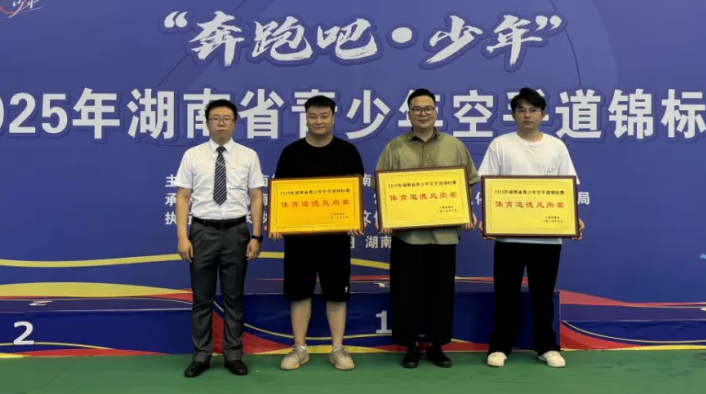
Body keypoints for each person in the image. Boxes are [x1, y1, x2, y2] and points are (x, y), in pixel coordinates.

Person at [478, 88, 584, 369]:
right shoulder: (500, 145)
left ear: (543, 114)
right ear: (513, 115)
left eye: (533, 110)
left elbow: (567, 188)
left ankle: (546, 346)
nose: (527, 115)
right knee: (506, 293)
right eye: (521, 110)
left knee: (543, 295)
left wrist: (573, 218)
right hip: (508, 236)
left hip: (547, 237)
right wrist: (487, 219)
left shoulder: (556, 146)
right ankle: (500, 346)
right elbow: (488, 186)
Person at [376, 88, 479, 368]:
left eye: (428, 109)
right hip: (407, 236)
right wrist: (385, 217)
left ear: (436, 112)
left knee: (441, 293)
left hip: (444, 236)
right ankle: (410, 345)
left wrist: (465, 211)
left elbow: (468, 182)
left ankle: (436, 345)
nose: (423, 114)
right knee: (405, 292)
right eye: (417, 109)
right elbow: (382, 186)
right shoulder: (394, 147)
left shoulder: (454, 145)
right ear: (409, 114)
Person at [269, 95, 366, 371]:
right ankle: (299, 348)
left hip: (336, 238)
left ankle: (338, 348)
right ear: (306, 119)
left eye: (324, 116)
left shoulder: (348, 152)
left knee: (337, 294)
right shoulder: (291, 153)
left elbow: (355, 191)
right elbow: (282, 194)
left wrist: (353, 218)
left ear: (333, 118)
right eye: (313, 116)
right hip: (299, 239)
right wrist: (278, 223)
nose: (319, 121)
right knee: (299, 292)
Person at [174, 99, 265, 378]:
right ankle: (201, 355)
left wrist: (256, 236)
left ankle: (233, 354)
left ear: (235, 123)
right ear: (207, 123)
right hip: (202, 232)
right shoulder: (192, 155)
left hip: (236, 232)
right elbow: (183, 197)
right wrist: (182, 237)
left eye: (227, 118)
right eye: (216, 118)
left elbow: (256, 197)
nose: (221, 123)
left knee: (233, 296)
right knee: (201, 297)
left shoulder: (248, 155)